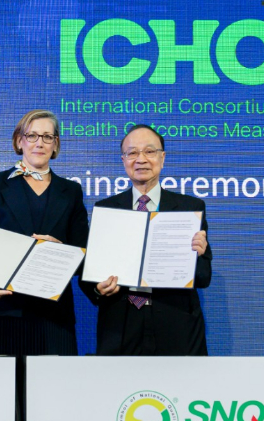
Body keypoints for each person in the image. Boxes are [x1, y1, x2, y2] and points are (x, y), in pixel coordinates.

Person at [0, 109, 89, 356]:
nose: (39, 143)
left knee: (54, 381)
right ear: (19, 141)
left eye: (47, 137)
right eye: (32, 136)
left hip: (52, 315)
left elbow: (84, 256)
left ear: (55, 144)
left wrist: (60, 251)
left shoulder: (71, 191)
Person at [79, 124, 211, 356]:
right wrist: (98, 289)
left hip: (175, 324)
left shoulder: (189, 209)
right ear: (123, 160)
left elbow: (203, 277)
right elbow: (90, 273)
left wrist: (200, 255)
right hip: (120, 324)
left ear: (162, 158)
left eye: (149, 151)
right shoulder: (106, 209)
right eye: (132, 153)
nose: (141, 159)